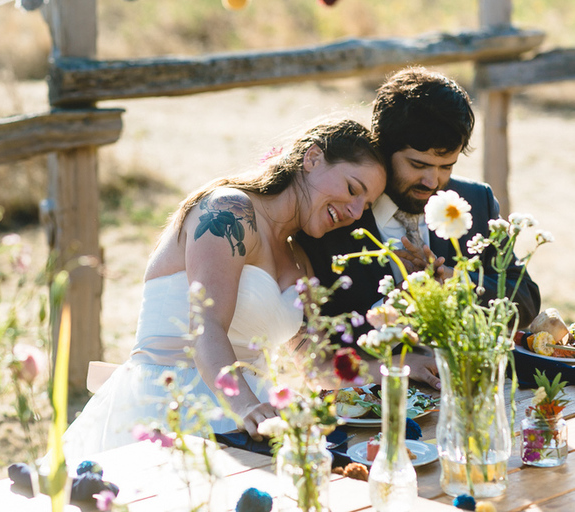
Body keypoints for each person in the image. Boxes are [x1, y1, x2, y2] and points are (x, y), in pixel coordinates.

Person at [62, 119, 386, 460]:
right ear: (313, 158)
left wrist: (395, 366)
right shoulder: (227, 210)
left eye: (365, 206)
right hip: (172, 405)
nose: (354, 211)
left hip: (250, 422)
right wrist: (247, 407)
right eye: (353, 189)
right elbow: (206, 326)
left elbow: (311, 362)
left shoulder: (299, 259)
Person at [297, 67, 541, 390]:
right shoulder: (335, 218)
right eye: (418, 165)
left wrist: (455, 282)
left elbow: (526, 299)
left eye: (446, 167)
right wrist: (392, 310)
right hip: (365, 412)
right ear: (383, 148)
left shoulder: (474, 201)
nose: (432, 182)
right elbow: (315, 350)